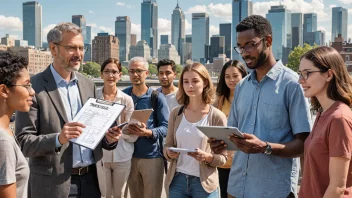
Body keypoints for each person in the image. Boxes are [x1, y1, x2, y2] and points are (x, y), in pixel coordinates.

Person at [208, 15, 312, 198]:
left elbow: (304, 144)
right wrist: (222, 144)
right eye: (240, 47)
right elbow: (234, 136)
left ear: (268, 41)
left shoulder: (292, 85)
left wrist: (265, 147)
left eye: (250, 45)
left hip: (273, 191)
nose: (244, 53)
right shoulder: (241, 87)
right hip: (236, 188)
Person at [15, 22, 121, 198]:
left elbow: (97, 135)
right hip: (52, 186)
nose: (78, 54)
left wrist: (109, 138)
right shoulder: (34, 87)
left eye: (81, 48)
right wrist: (59, 139)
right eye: (71, 48)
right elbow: (24, 142)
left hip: (92, 182)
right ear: (53, 49)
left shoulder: (89, 85)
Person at [163, 62, 228, 198]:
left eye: (195, 81)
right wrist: (169, 153)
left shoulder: (216, 116)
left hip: (204, 184)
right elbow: (167, 145)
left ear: (205, 82)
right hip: (177, 181)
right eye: (185, 82)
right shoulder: (176, 113)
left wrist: (207, 157)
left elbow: (223, 158)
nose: (190, 86)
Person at [298, 46, 352, 198]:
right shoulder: (322, 113)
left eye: (307, 73)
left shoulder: (339, 119)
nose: (300, 80)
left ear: (329, 74)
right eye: (300, 74)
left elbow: (338, 188)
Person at [122, 57, 169, 198]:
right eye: (131, 71)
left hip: (152, 158)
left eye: (139, 71)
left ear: (147, 73)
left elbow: (166, 127)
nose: (135, 74)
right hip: (127, 157)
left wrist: (148, 132)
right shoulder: (123, 95)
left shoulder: (157, 97)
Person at [97, 58, 135, 198]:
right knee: (104, 194)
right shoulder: (94, 97)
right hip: (101, 156)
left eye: (114, 72)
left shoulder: (126, 99)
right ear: (101, 75)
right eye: (106, 71)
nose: (110, 75)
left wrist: (120, 133)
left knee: (120, 195)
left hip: (122, 154)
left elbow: (131, 132)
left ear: (120, 75)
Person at [0, 52, 33, 198]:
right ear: (4, 90)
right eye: (26, 85)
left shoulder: (6, 133)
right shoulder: (3, 142)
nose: (32, 91)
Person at [213, 60, 247, 198]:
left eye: (235, 76)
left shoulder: (250, 97)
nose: (231, 80)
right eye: (227, 76)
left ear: (243, 75)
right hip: (224, 160)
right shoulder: (219, 100)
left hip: (244, 159)